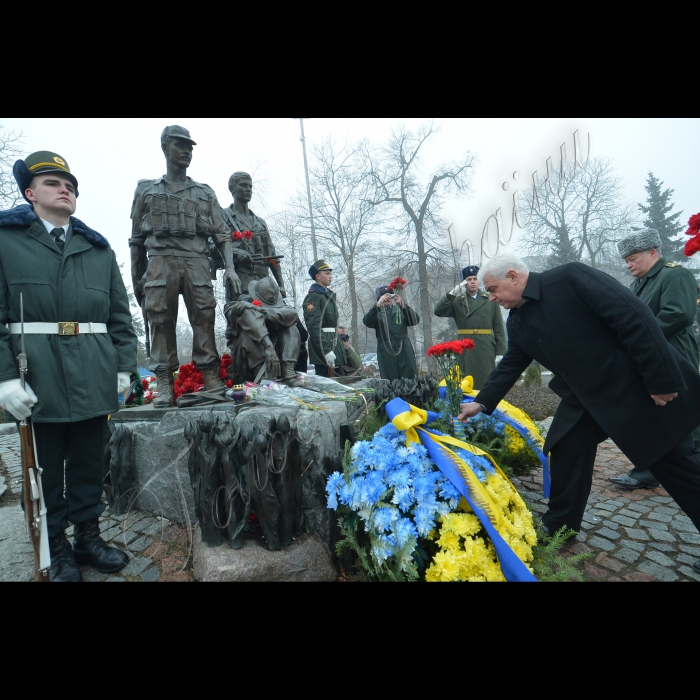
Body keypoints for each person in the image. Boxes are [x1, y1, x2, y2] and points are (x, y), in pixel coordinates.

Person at [457, 253, 700, 574]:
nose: (491, 297)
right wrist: (481, 402)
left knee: (676, 466)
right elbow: (513, 363)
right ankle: (560, 525)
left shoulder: (570, 279)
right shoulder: (517, 320)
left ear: (514, 276)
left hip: (637, 390)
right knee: (566, 446)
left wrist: (660, 379)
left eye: (493, 288)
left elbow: (635, 317)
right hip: (585, 398)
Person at [0, 151, 137, 581]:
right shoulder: (6, 241)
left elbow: (120, 318)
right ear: (29, 192)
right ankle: (55, 545)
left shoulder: (97, 248)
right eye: (53, 183)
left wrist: (123, 367)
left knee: (89, 462)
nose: (66, 189)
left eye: (71, 185)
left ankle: (88, 538)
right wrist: (4, 377)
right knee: (42, 465)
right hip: (36, 373)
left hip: (93, 370)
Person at [129, 125, 240, 407]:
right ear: (166, 147)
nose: (187, 152)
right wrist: (137, 278)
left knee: (204, 317)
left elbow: (223, 234)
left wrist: (230, 268)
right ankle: (165, 380)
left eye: (190, 147)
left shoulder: (204, 193)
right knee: (160, 320)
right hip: (160, 262)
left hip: (196, 262)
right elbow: (137, 240)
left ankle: (210, 375)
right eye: (181, 145)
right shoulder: (146, 190)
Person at [609, 229, 700, 490]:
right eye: (626, 260)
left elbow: (678, 314)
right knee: (655, 414)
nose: (628, 265)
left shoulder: (674, 274)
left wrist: (637, 338)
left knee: (684, 411)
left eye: (633, 259)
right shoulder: (641, 282)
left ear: (652, 253)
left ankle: (689, 469)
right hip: (651, 354)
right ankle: (649, 470)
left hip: (674, 352)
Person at [434, 264, 507, 389]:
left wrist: (501, 351)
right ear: (464, 283)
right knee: (466, 383)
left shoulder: (490, 300)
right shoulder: (457, 301)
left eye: (475, 279)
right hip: (465, 347)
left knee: (487, 383)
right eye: (469, 280)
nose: (472, 282)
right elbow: (438, 311)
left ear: (480, 282)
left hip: (486, 347)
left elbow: (499, 328)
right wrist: (453, 293)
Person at [216, 171, 286, 300]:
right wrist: (236, 252)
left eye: (250, 186)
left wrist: (281, 285)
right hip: (241, 285)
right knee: (248, 317)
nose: (248, 189)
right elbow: (212, 246)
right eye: (243, 185)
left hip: (266, 285)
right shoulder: (223, 217)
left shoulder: (260, 223)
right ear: (232, 189)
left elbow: (272, 256)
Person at [224, 276, 300, 383]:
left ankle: (289, 371)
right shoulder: (239, 305)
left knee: (291, 327)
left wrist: (262, 310)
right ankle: (264, 377)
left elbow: (292, 314)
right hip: (247, 364)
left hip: (275, 361)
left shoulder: (283, 307)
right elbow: (246, 315)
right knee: (248, 333)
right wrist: (268, 346)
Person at [363, 284, 420, 381]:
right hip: (386, 351)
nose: (387, 299)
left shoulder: (400, 310)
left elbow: (415, 320)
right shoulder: (377, 313)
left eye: (390, 296)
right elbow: (367, 321)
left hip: (404, 348)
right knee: (390, 379)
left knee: (409, 377)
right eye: (384, 296)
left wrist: (403, 305)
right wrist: (377, 306)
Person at [302, 260, 346, 376]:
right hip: (323, 349)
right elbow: (314, 327)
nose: (330, 276)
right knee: (327, 388)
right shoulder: (313, 297)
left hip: (334, 345)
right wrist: (325, 350)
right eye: (326, 274)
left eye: (330, 274)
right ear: (318, 276)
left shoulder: (328, 296)